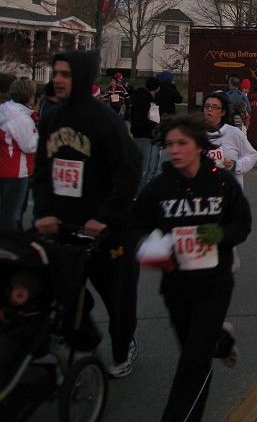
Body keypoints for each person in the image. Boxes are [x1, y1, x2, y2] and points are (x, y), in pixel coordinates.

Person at [128, 114, 252, 422]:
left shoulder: (222, 183)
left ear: (198, 146)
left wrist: (221, 235)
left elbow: (242, 222)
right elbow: (135, 226)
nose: (175, 150)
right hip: (177, 287)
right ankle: (221, 341)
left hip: (214, 284)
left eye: (182, 143)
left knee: (194, 363)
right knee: (193, 349)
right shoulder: (158, 189)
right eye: (169, 144)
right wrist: (150, 248)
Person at [34, 50, 142, 379]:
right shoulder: (52, 118)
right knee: (64, 294)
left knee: (118, 298)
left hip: (107, 231)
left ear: (80, 78)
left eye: (65, 74)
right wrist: (43, 212)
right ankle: (86, 344)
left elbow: (129, 171)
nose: (58, 79)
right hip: (64, 227)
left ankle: (124, 349)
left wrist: (105, 217)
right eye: (56, 73)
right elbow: (42, 172)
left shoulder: (104, 120)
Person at [0, 78, 37, 231]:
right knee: (12, 215)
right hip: (17, 170)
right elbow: (30, 145)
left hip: (4, 166)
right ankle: (9, 247)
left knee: (5, 211)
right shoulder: (21, 118)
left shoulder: (4, 110)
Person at [0, 269, 47, 382]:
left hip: (15, 341)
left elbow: (26, 333)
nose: (20, 291)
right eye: (17, 288)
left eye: (25, 289)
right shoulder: (6, 308)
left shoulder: (32, 313)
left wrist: (15, 321)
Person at [202, 92, 257, 186]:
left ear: (223, 112)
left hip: (229, 190)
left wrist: (236, 165)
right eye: (207, 106)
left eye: (215, 107)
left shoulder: (233, 133)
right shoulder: (195, 134)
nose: (209, 109)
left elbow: (252, 155)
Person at [130, 77, 163, 188]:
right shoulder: (144, 99)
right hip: (143, 136)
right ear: (156, 87)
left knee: (145, 168)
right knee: (142, 169)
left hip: (142, 135)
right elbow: (140, 119)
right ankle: (137, 195)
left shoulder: (142, 97)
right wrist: (154, 125)